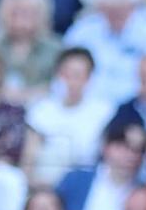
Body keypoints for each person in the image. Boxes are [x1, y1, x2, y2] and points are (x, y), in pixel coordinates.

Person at [63, 0, 146, 111]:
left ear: (132, 7)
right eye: (110, 10)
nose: (116, 15)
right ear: (100, 8)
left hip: (135, 107)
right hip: (87, 107)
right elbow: (64, 70)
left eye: (121, 9)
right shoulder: (81, 32)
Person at [61, 120, 146, 210]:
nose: (131, 155)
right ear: (106, 146)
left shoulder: (142, 193)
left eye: (137, 150)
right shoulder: (76, 179)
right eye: (123, 146)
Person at [27, 48, 111, 188]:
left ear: (89, 78)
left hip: (84, 185)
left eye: (78, 75)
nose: (72, 81)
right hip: (43, 185)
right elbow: (29, 156)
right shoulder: (41, 109)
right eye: (67, 75)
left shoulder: (104, 112)